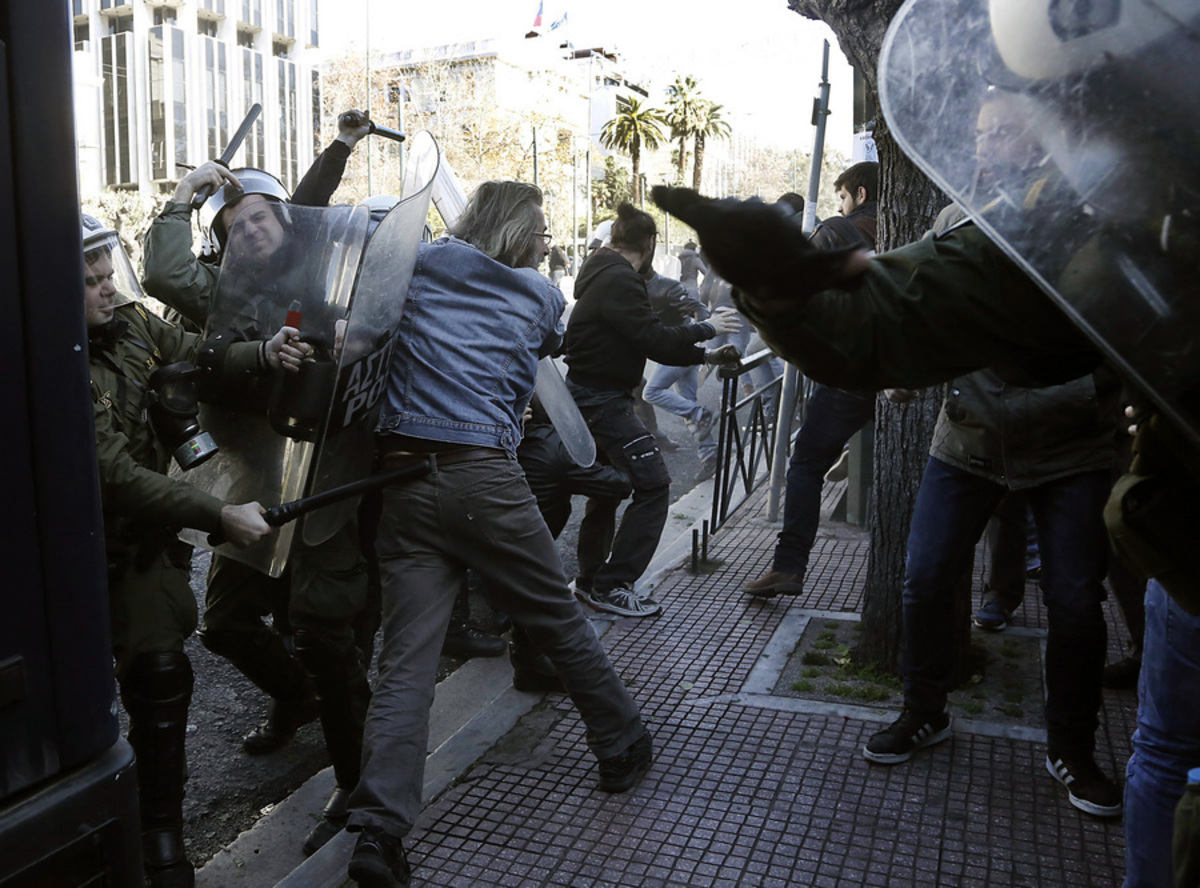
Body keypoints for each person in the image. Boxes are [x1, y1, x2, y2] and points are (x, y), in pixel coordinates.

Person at [654, 0, 1200, 874]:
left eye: (1076, 107)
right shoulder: (1044, 225)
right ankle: (923, 706)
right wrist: (781, 285)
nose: (1065, 138)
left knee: (1073, 607)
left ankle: (1070, 746)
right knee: (934, 584)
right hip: (1020, 468)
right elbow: (888, 323)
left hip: (1073, 458)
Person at [345, 181, 651, 888]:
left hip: (401, 481)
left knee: (405, 666)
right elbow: (547, 348)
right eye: (541, 230)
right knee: (556, 617)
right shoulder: (539, 295)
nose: (546, 242)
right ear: (518, 229)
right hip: (481, 474)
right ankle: (620, 740)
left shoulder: (417, 264)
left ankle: (378, 831)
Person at [142, 146, 376, 855]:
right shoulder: (218, 292)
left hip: (325, 478)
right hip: (250, 481)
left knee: (325, 633)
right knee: (225, 622)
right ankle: (294, 695)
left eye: (261, 217)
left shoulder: (327, 279)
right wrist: (184, 197)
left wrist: (354, 335)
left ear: (285, 221)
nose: (248, 229)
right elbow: (162, 270)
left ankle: (358, 782)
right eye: (234, 224)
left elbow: (372, 317)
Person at [83, 215, 296, 886]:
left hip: (137, 548)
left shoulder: (134, 325)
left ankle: (161, 834)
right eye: (87, 283)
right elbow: (113, 473)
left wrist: (263, 354)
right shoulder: (55, 358)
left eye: (104, 274)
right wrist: (219, 513)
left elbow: (196, 352)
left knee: (161, 673)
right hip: (75, 547)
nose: (105, 290)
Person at [563, 202, 740, 618]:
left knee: (605, 492)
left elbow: (633, 336)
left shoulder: (599, 271)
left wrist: (705, 358)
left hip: (594, 394)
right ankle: (612, 585)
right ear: (650, 243)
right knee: (654, 483)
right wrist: (709, 328)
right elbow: (653, 339)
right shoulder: (620, 278)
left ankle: (590, 583)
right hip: (603, 399)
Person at [743, 164, 909, 599]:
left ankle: (789, 566)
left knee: (806, 465)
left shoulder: (838, 230)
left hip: (851, 376)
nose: (839, 206)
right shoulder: (911, 228)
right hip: (908, 374)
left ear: (858, 192)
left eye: (841, 197)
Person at [641, 266, 737, 479]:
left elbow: (698, 306)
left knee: (651, 392)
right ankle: (710, 456)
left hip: (680, 350)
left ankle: (701, 414)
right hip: (678, 350)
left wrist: (703, 329)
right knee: (686, 403)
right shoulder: (637, 287)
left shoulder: (667, 286)